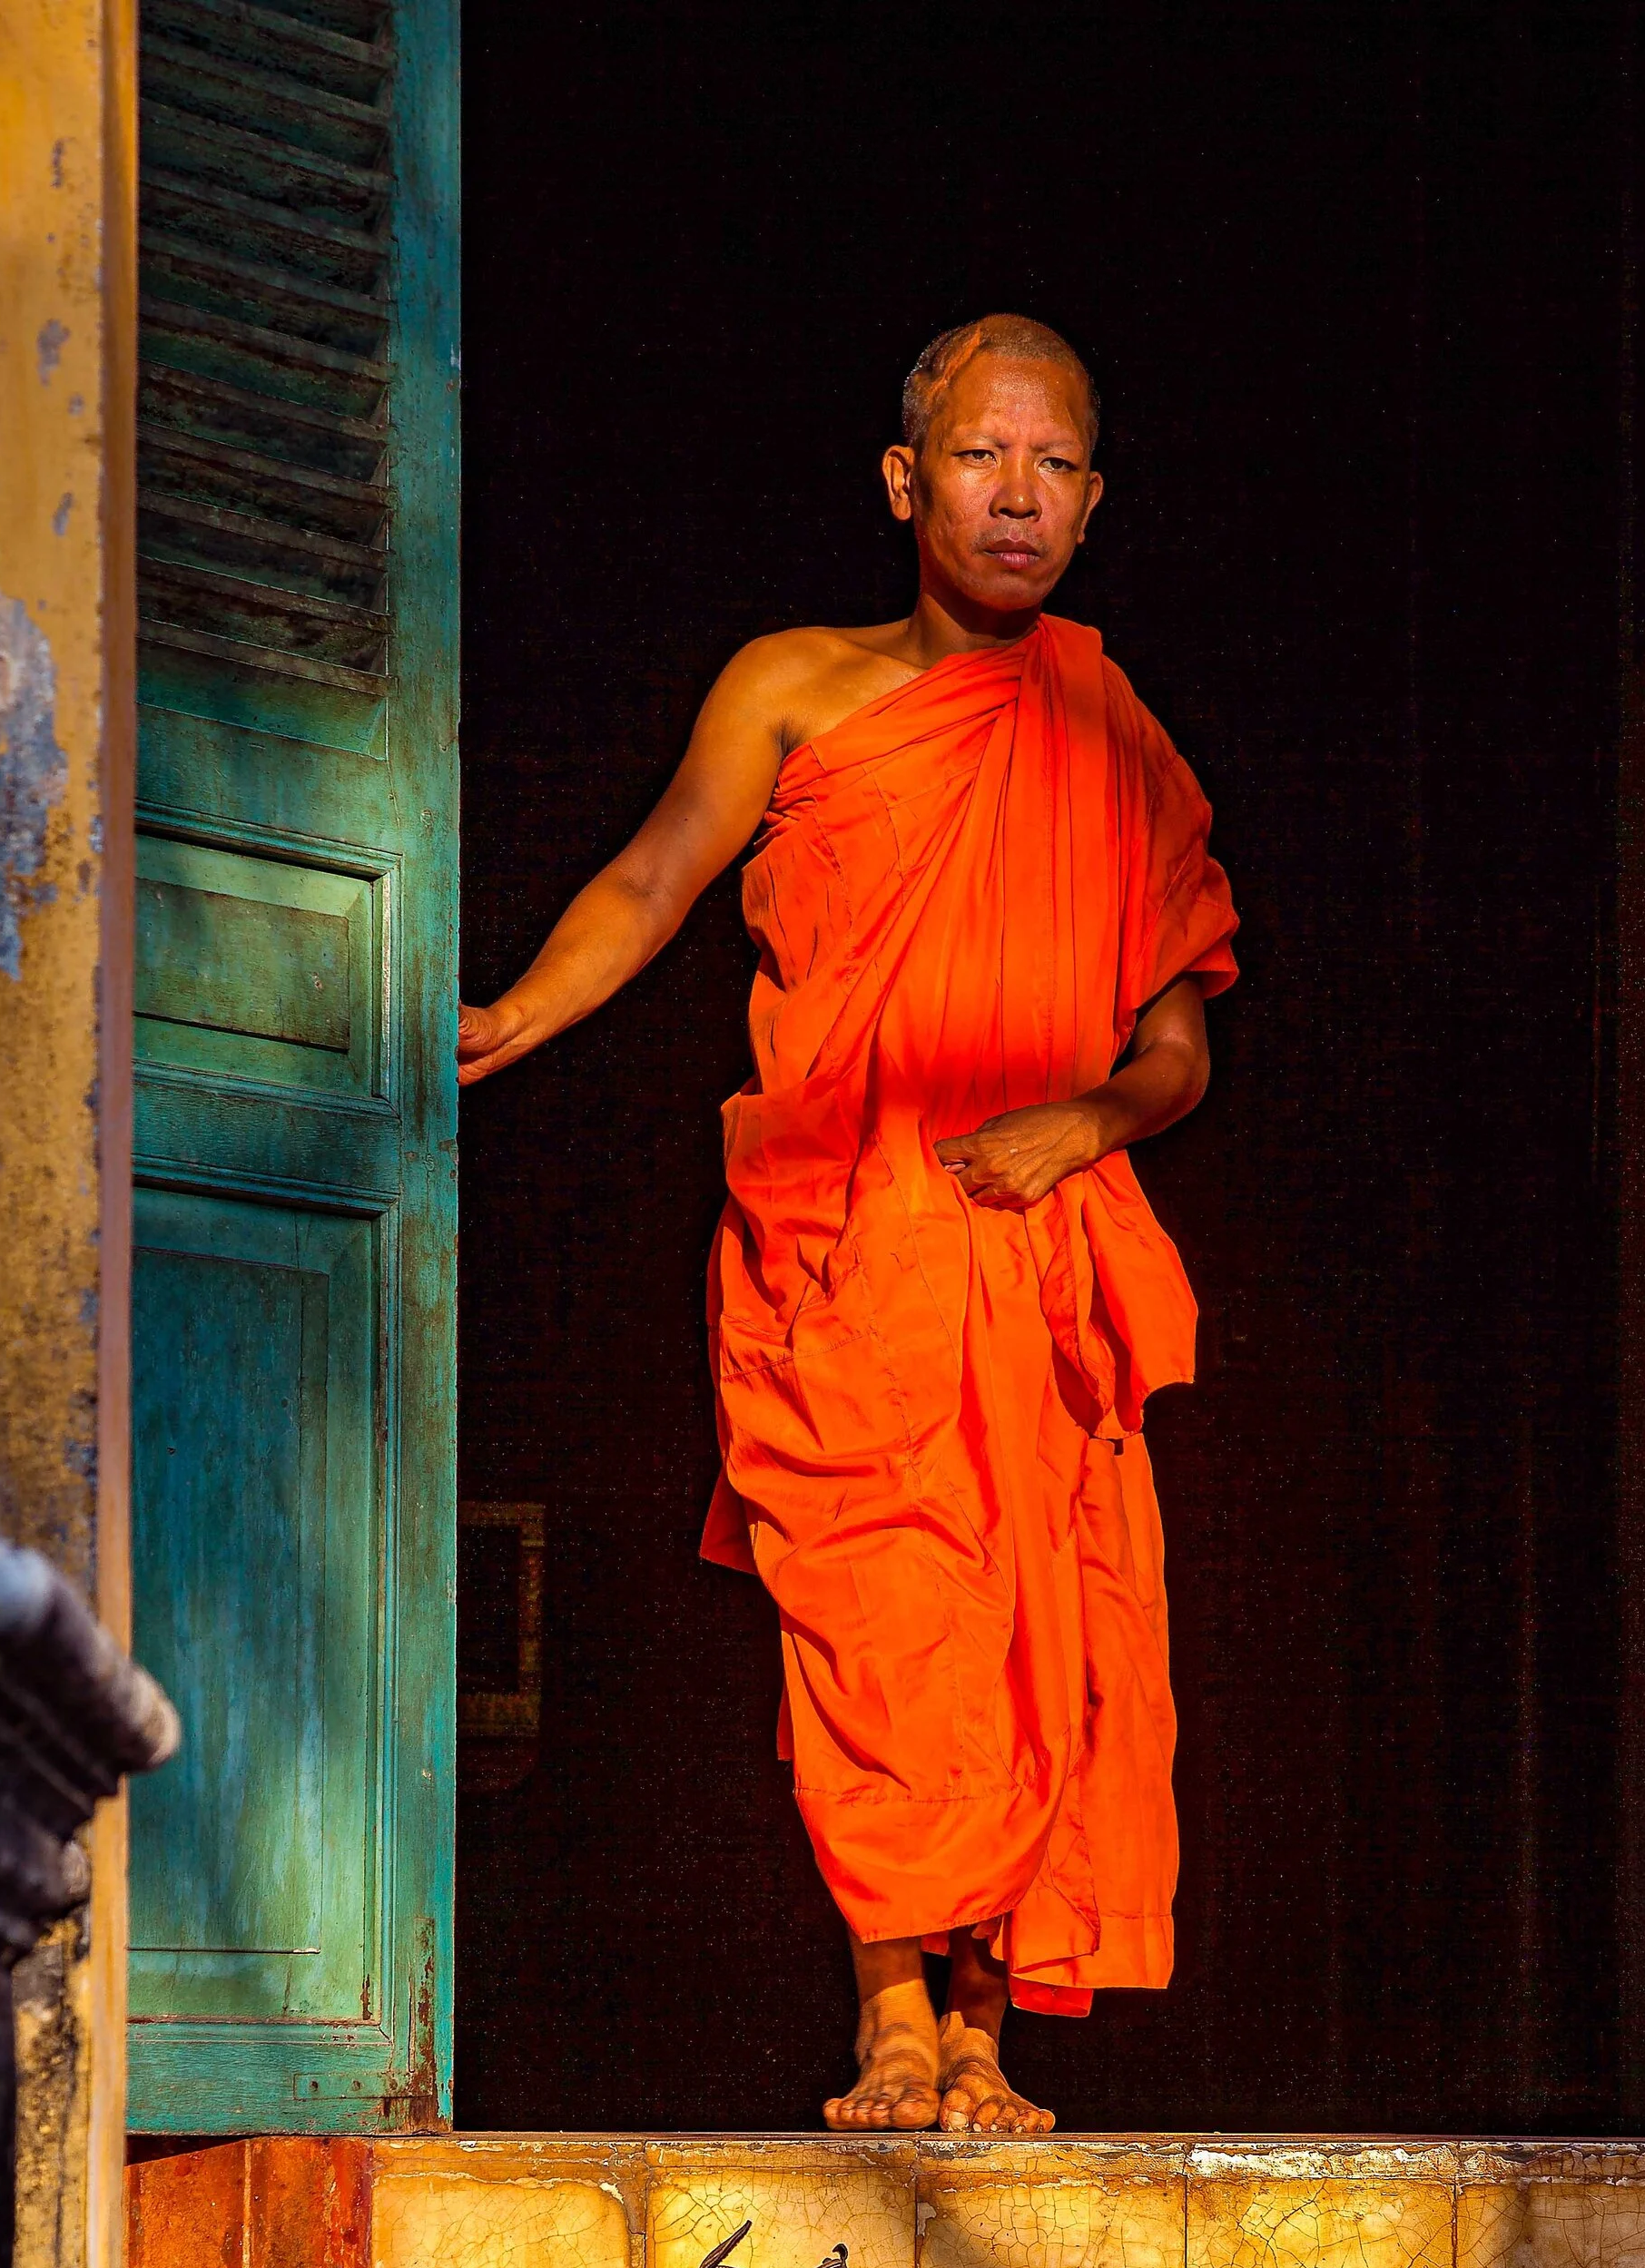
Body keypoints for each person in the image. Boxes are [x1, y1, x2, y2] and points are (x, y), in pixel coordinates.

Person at [458, 315, 1238, 2135]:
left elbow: (1179, 1036)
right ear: (906, 481)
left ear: (1093, 499)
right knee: (875, 1635)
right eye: (982, 456)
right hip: (842, 1250)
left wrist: (1090, 1115)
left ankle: (980, 2035)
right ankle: (887, 2013)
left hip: (1032, 1240)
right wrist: (510, 1011)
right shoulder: (793, 685)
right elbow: (657, 876)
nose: (1017, 497)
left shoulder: (1116, 738)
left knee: (1039, 1640)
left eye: (1053, 466)